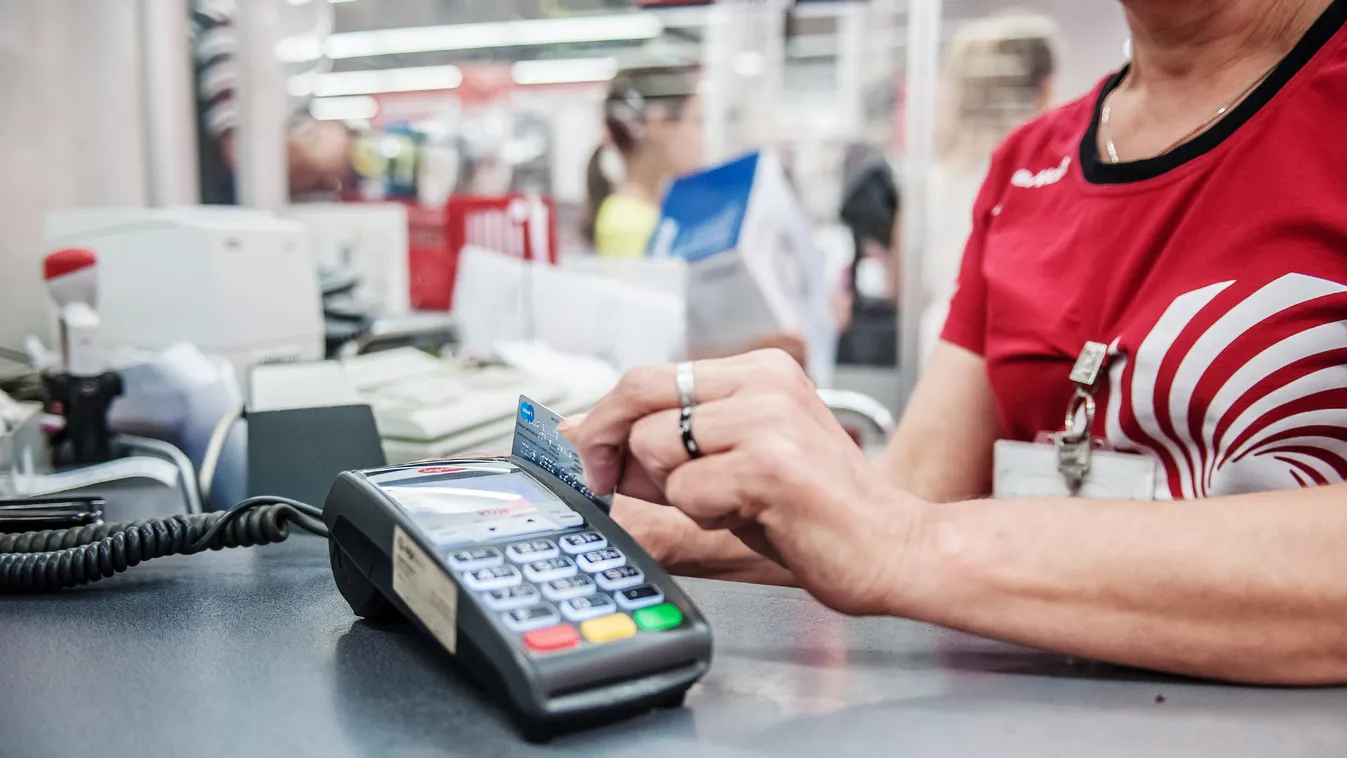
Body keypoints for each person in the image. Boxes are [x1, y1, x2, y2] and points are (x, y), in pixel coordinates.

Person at [565, 0, 1347, 685]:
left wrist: (905, 543)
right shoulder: (1028, 164)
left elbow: (900, 526)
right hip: (1035, 708)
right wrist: (660, 525)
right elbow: (912, 488)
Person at [920, 12, 1059, 367]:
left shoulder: (933, 179)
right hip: (1007, 358)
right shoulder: (1043, 180)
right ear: (1043, 90)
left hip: (937, 353)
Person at [190, 0, 351, 204]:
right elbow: (240, 150)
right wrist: (322, 152)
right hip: (235, 211)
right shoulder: (223, 21)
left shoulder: (276, 21)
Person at [584, 63, 703, 259]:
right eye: (697, 122)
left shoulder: (639, 215)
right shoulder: (630, 225)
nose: (701, 140)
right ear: (659, 124)